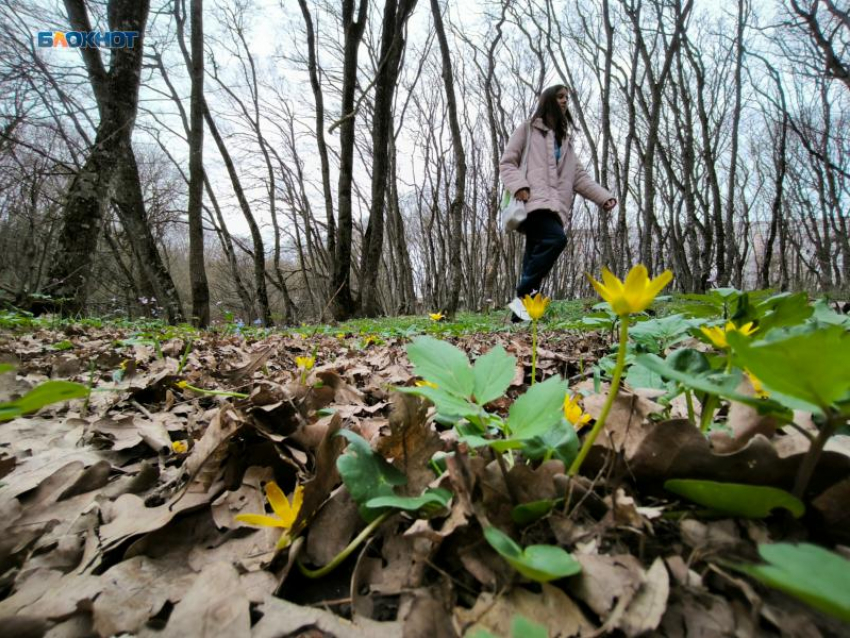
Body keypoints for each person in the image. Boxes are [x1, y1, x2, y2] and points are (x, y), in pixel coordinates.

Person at [499, 84, 617, 322]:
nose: (564, 101)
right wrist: (520, 186)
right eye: (560, 97)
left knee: (533, 258)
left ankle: (519, 318)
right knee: (556, 239)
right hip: (533, 203)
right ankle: (524, 292)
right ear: (548, 100)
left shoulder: (566, 145)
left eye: (567, 98)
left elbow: (580, 178)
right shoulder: (528, 130)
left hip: (556, 208)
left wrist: (603, 197)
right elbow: (507, 162)